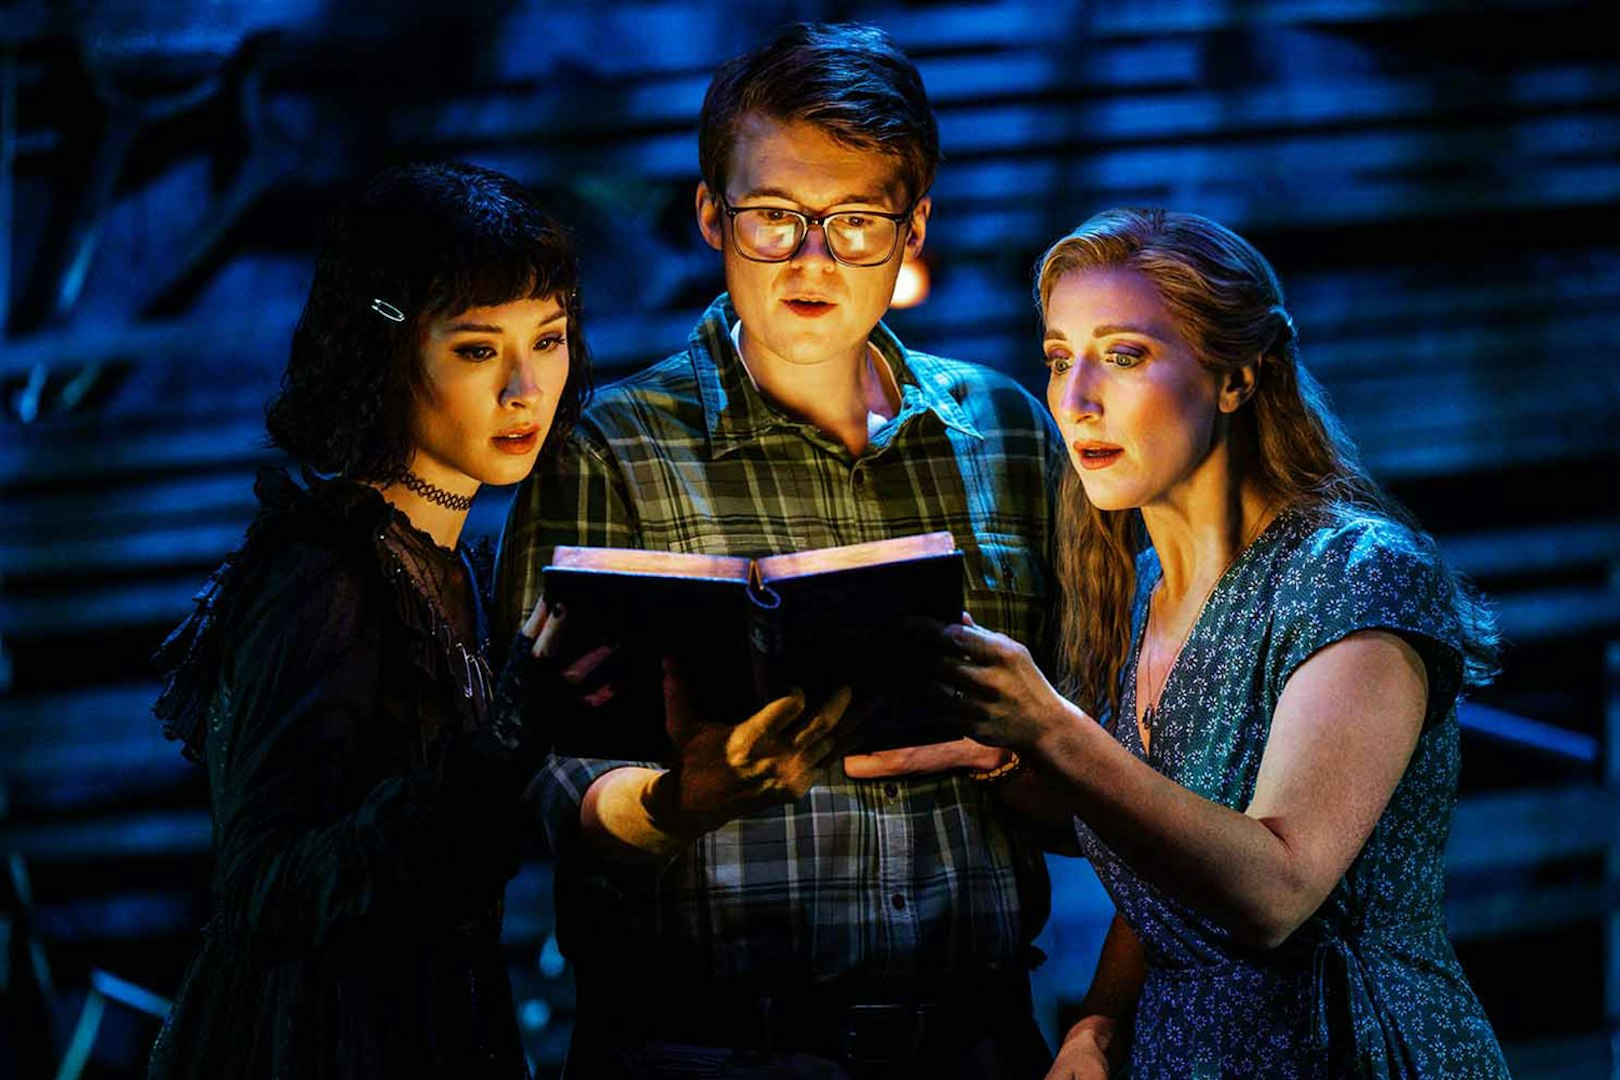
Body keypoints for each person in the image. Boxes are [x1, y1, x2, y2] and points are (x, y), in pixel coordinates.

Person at [496, 22, 1066, 1079]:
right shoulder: (605, 448)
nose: (813, 259)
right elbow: (529, 770)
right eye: (774, 218)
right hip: (708, 1050)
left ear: (913, 230)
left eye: (855, 221)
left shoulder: (1012, 432)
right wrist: (679, 802)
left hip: (976, 1041)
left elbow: (1097, 767)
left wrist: (1019, 753)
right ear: (712, 214)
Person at [909, 207, 1509, 1077]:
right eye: (1058, 359)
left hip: (1346, 1052)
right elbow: (1169, 871)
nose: (1076, 400)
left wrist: (1052, 727)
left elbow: (1275, 890)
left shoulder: (1353, 570)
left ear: (1235, 379)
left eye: (1123, 356)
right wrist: (1101, 1019)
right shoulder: (1142, 589)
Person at [147, 161, 597, 1079]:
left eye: (547, 340)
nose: (525, 388)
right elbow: (267, 887)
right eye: (478, 350)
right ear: (389, 348)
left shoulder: (452, 568)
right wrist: (505, 742)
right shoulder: (328, 572)